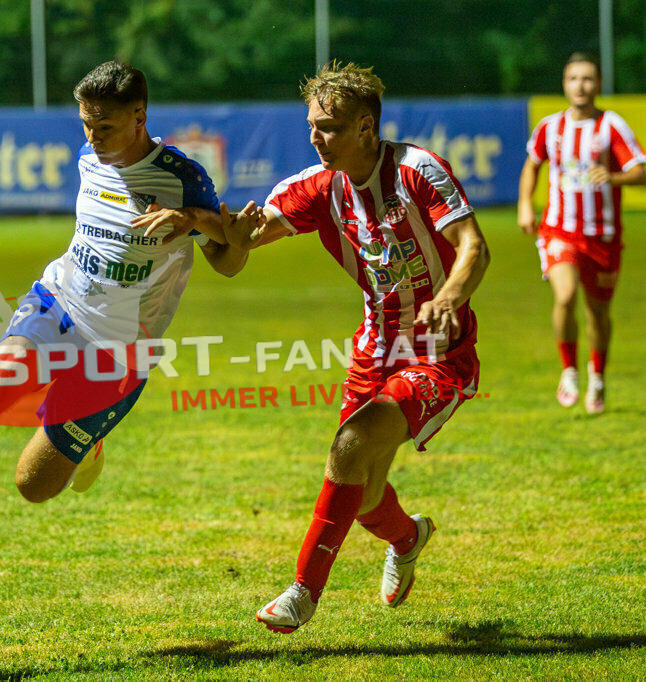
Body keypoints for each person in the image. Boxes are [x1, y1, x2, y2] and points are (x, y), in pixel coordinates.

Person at [0, 60, 251, 560]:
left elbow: (228, 260)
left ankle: (87, 441)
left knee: (34, 486)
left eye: (105, 126)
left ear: (139, 116)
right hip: (58, 300)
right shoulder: (87, 158)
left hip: (121, 351)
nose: (93, 137)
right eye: (86, 124)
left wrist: (196, 220)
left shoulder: (181, 179)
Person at [208, 62, 489, 633]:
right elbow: (234, 260)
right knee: (362, 494)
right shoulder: (314, 189)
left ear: (366, 127)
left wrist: (449, 298)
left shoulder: (419, 173)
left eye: (329, 127)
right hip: (373, 349)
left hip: (439, 351)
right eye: (312, 125)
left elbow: (474, 248)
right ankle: (409, 537)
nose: (316, 138)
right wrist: (215, 233)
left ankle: (303, 592)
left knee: (349, 445)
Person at [517, 52, 646, 414]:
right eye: (574, 78)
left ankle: (599, 376)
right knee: (565, 295)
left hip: (602, 236)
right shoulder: (549, 127)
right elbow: (532, 165)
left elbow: (641, 174)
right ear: (564, 83)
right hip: (560, 230)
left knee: (598, 313)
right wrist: (525, 205)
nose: (581, 85)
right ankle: (570, 371)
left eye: (588, 78)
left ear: (599, 84)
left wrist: (614, 175)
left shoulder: (612, 126)